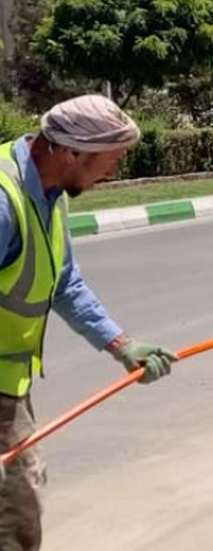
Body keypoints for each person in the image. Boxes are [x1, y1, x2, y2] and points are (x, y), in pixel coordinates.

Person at [0, 95, 176, 550]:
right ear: (71, 152)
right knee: (14, 515)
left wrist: (121, 345)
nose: (112, 174)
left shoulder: (49, 191)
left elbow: (62, 281)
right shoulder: (4, 202)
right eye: (108, 161)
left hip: (11, 384)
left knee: (20, 502)